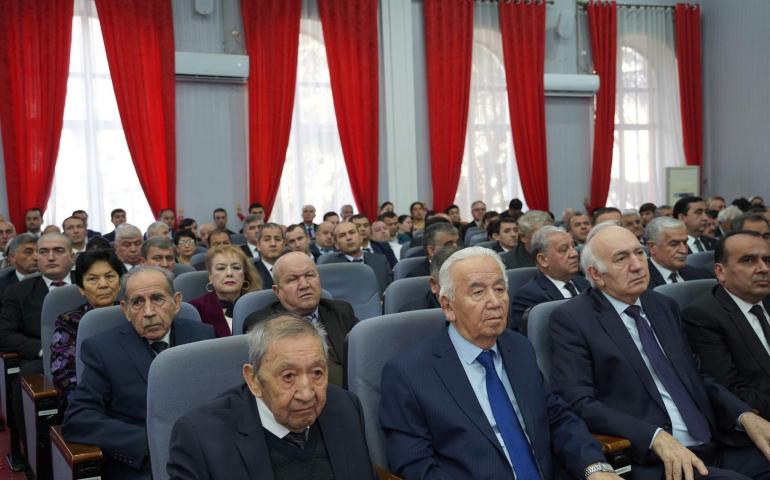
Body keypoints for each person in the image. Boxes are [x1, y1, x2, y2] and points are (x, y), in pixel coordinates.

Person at [550, 223, 770, 480]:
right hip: (655, 458)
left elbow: (697, 376)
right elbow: (579, 402)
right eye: (621, 259)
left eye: (639, 253)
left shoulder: (662, 306)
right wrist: (653, 436)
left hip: (713, 443)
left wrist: (743, 415)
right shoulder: (573, 319)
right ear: (596, 275)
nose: (637, 265)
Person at [379, 247, 619, 480]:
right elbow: (415, 466)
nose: (495, 302)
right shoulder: (409, 374)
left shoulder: (519, 348)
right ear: (447, 305)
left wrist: (594, 466)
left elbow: (556, 418)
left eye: (499, 289)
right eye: (478, 292)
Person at [167, 314, 376, 480]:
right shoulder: (201, 437)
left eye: (317, 373)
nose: (306, 394)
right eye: (288, 376)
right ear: (253, 380)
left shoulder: (345, 407)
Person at [62, 266, 215, 479]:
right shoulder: (103, 349)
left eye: (158, 299)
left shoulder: (203, 336)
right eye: (137, 302)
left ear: (176, 302)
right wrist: (150, 442)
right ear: (125, 310)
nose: (149, 312)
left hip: (205, 456)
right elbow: (78, 418)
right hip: (144, 463)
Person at [683, 231, 770, 419]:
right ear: (720, 272)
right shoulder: (702, 317)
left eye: (767, 260)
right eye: (748, 261)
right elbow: (730, 391)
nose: (763, 268)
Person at [0, 233, 75, 449]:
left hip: (90, 355)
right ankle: (33, 451)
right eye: (44, 252)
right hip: (42, 360)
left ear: (72, 257)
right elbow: (4, 333)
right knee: (24, 382)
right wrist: (42, 349)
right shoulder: (18, 291)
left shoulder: (89, 282)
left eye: (58, 251)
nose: (50, 257)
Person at [243, 252, 357, 386]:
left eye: (309, 275)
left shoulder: (342, 311)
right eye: (292, 279)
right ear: (277, 291)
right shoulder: (261, 324)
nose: (304, 285)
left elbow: (361, 361)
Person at [51, 249, 125, 405]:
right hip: (89, 399)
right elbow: (64, 374)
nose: (103, 285)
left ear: (119, 283)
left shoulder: (132, 314)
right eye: (93, 279)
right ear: (81, 288)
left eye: (110, 277)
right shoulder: (69, 321)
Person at [509, 226, 588, 331]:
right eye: (564, 249)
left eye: (573, 247)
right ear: (543, 260)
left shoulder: (585, 283)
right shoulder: (529, 297)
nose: (574, 254)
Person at [190, 245, 261, 337]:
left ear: (244, 274)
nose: (229, 273)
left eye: (236, 268)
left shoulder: (258, 305)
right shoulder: (195, 309)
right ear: (210, 276)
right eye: (221, 268)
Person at [325, 221, 391, 294]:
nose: (349, 238)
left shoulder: (380, 260)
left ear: (361, 238)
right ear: (336, 245)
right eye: (342, 235)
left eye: (352, 232)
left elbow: (389, 290)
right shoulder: (330, 267)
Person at [645, 217, 713, 287]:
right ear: (652, 247)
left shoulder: (700, 276)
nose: (684, 250)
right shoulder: (642, 282)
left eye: (685, 242)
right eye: (674, 244)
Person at [253, 223, 285, 289]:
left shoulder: (292, 267)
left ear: (284, 244)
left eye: (277, 239)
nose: (273, 244)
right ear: (258, 245)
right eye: (267, 239)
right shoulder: (251, 272)